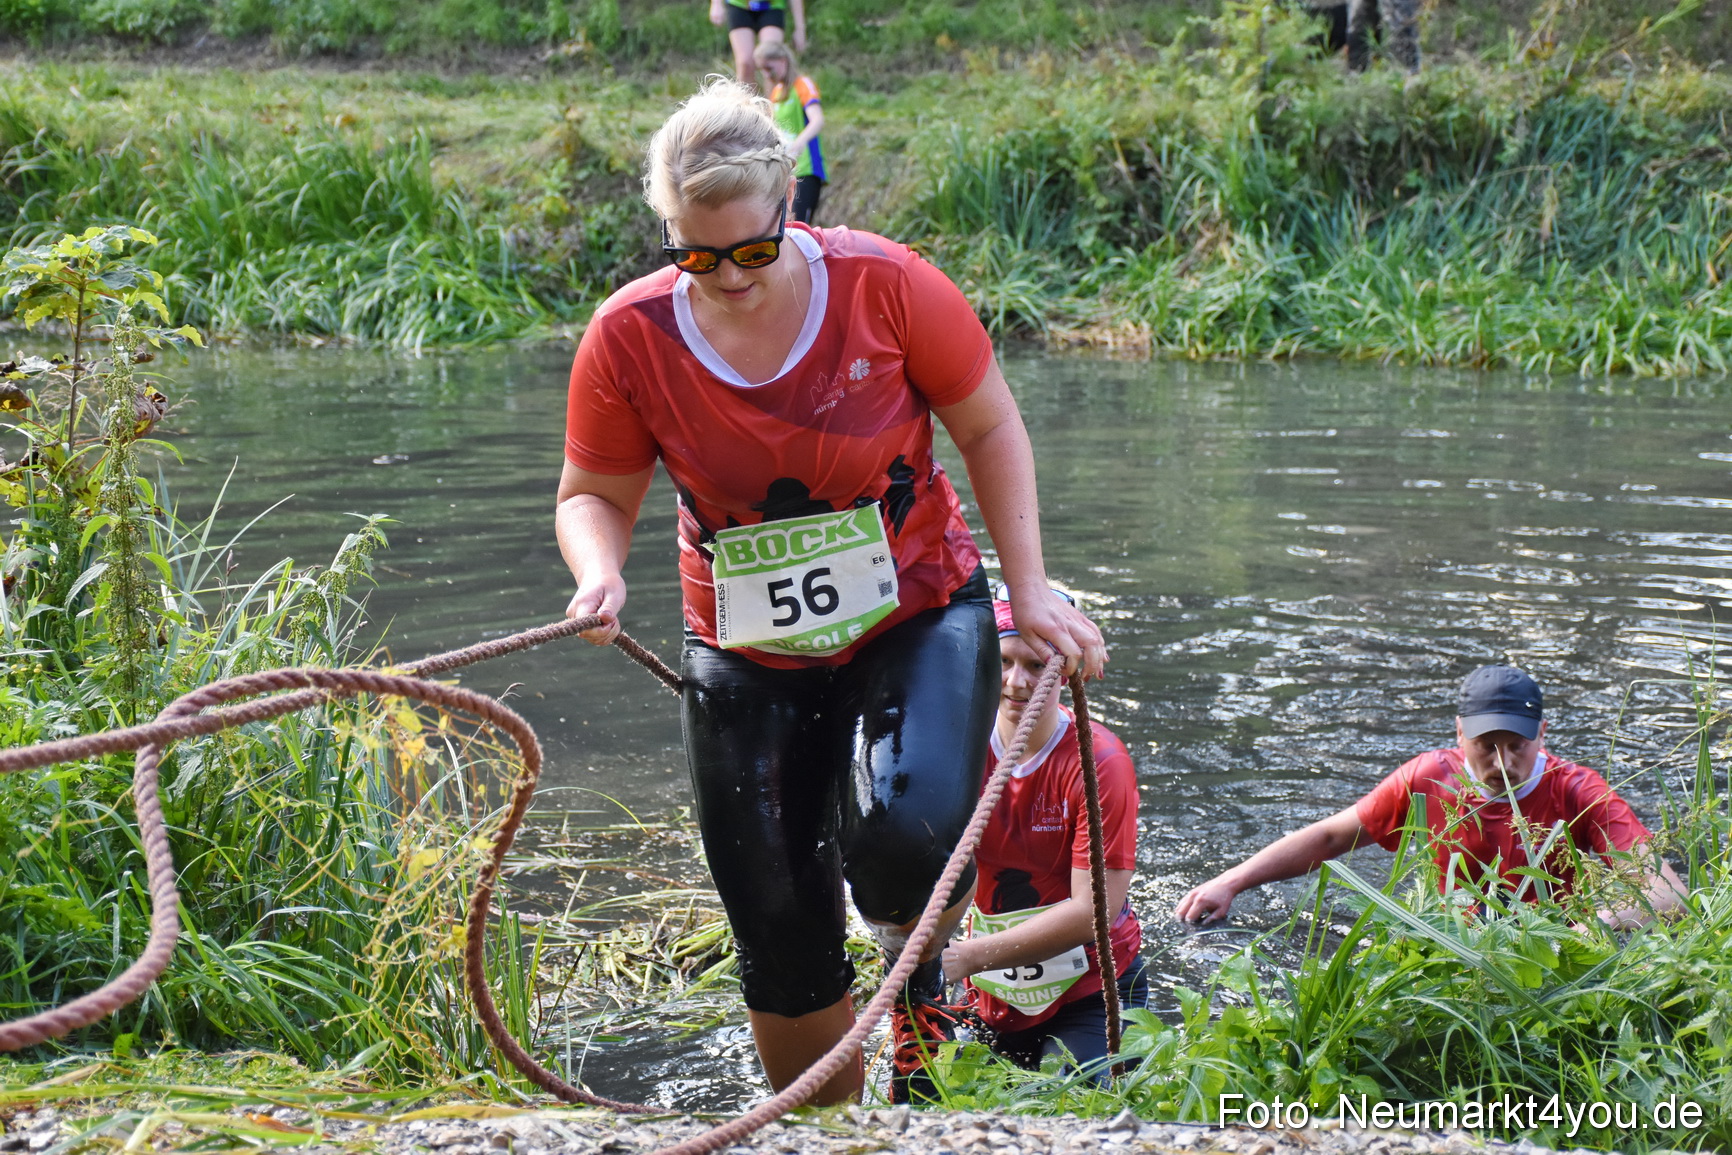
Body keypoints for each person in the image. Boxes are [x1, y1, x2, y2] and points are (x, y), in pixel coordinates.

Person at [556, 78, 1105, 1108]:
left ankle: (920, 995)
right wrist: (599, 573)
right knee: (773, 912)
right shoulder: (629, 337)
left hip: (917, 609)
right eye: (697, 256)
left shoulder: (886, 286)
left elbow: (988, 427)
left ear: (788, 211)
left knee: (898, 841)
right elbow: (592, 492)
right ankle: (827, 1130)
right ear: (670, 238)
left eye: (752, 251)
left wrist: (1027, 592)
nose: (728, 278)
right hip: (744, 645)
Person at [1174, 666, 1689, 930]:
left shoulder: (1579, 792)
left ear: (1542, 735)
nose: (1504, 764)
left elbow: (1668, 892)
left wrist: (1584, 932)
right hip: (1451, 935)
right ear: (1459, 733)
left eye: (1518, 747)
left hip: (1551, 943)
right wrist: (1232, 880)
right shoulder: (1427, 778)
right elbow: (1332, 836)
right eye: (1487, 747)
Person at [936, 593, 1147, 1086]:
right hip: (988, 989)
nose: (1015, 682)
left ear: (1067, 669)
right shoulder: (958, 747)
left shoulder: (1100, 764)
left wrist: (965, 959)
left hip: (1091, 989)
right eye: (1004, 662)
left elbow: (1092, 912)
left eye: (1036, 665)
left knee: (1072, 1106)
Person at [754, 41, 826, 224]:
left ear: (783, 61)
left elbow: (817, 120)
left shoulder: (803, 85)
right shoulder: (777, 92)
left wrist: (799, 143)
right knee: (783, 226)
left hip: (807, 168)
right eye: (762, 70)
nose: (766, 75)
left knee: (798, 225)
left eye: (769, 68)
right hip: (785, 170)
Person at [710, 0, 806, 89]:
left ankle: (774, 105)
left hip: (772, 6)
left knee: (772, 61)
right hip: (739, 5)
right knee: (745, 63)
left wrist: (800, 28)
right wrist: (716, 4)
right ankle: (745, 104)